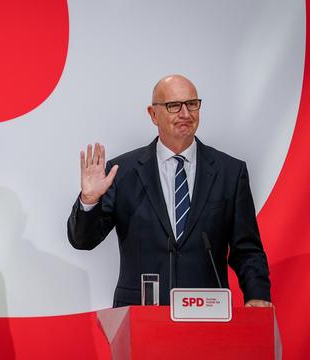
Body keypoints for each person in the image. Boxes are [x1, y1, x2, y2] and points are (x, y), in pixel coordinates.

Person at [67, 74, 272, 307]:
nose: (185, 114)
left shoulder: (230, 172)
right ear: (153, 114)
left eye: (192, 104)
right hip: (141, 315)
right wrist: (89, 199)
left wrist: (258, 296)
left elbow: (247, 249)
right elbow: (83, 240)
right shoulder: (122, 173)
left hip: (208, 315)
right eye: (174, 106)